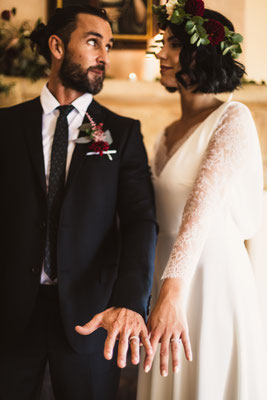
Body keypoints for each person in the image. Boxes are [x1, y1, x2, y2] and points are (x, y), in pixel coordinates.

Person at [0, 5, 157, 400]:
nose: (104, 56)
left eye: (107, 44)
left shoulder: (120, 134)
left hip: (91, 317)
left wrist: (129, 302)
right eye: (92, 42)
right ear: (57, 45)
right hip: (10, 313)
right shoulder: (5, 126)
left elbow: (140, 221)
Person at [137, 1, 267, 399]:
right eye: (164, 43)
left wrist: (172, 293)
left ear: (203, 52)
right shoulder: (164, 134)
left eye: (174, 44)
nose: (161, 54)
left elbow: (200, 208)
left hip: (210, 280)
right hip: (163, 275)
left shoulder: (233, 118)